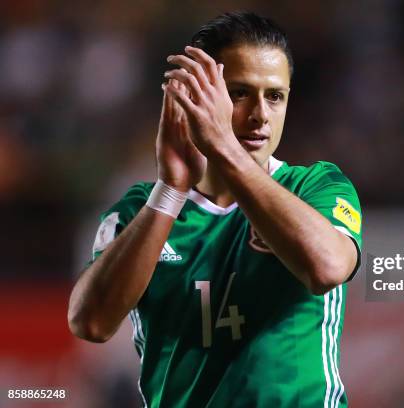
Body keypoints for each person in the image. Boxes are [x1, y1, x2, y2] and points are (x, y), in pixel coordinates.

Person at [68, 11, 362, 408]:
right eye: (239, 93)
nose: (260, 114)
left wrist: (222, 146)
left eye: (274, 96)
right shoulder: (142, 208)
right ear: (196, 97)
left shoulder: (316, 188)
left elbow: (327, 268)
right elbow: (91, 322)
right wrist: (170, 190)